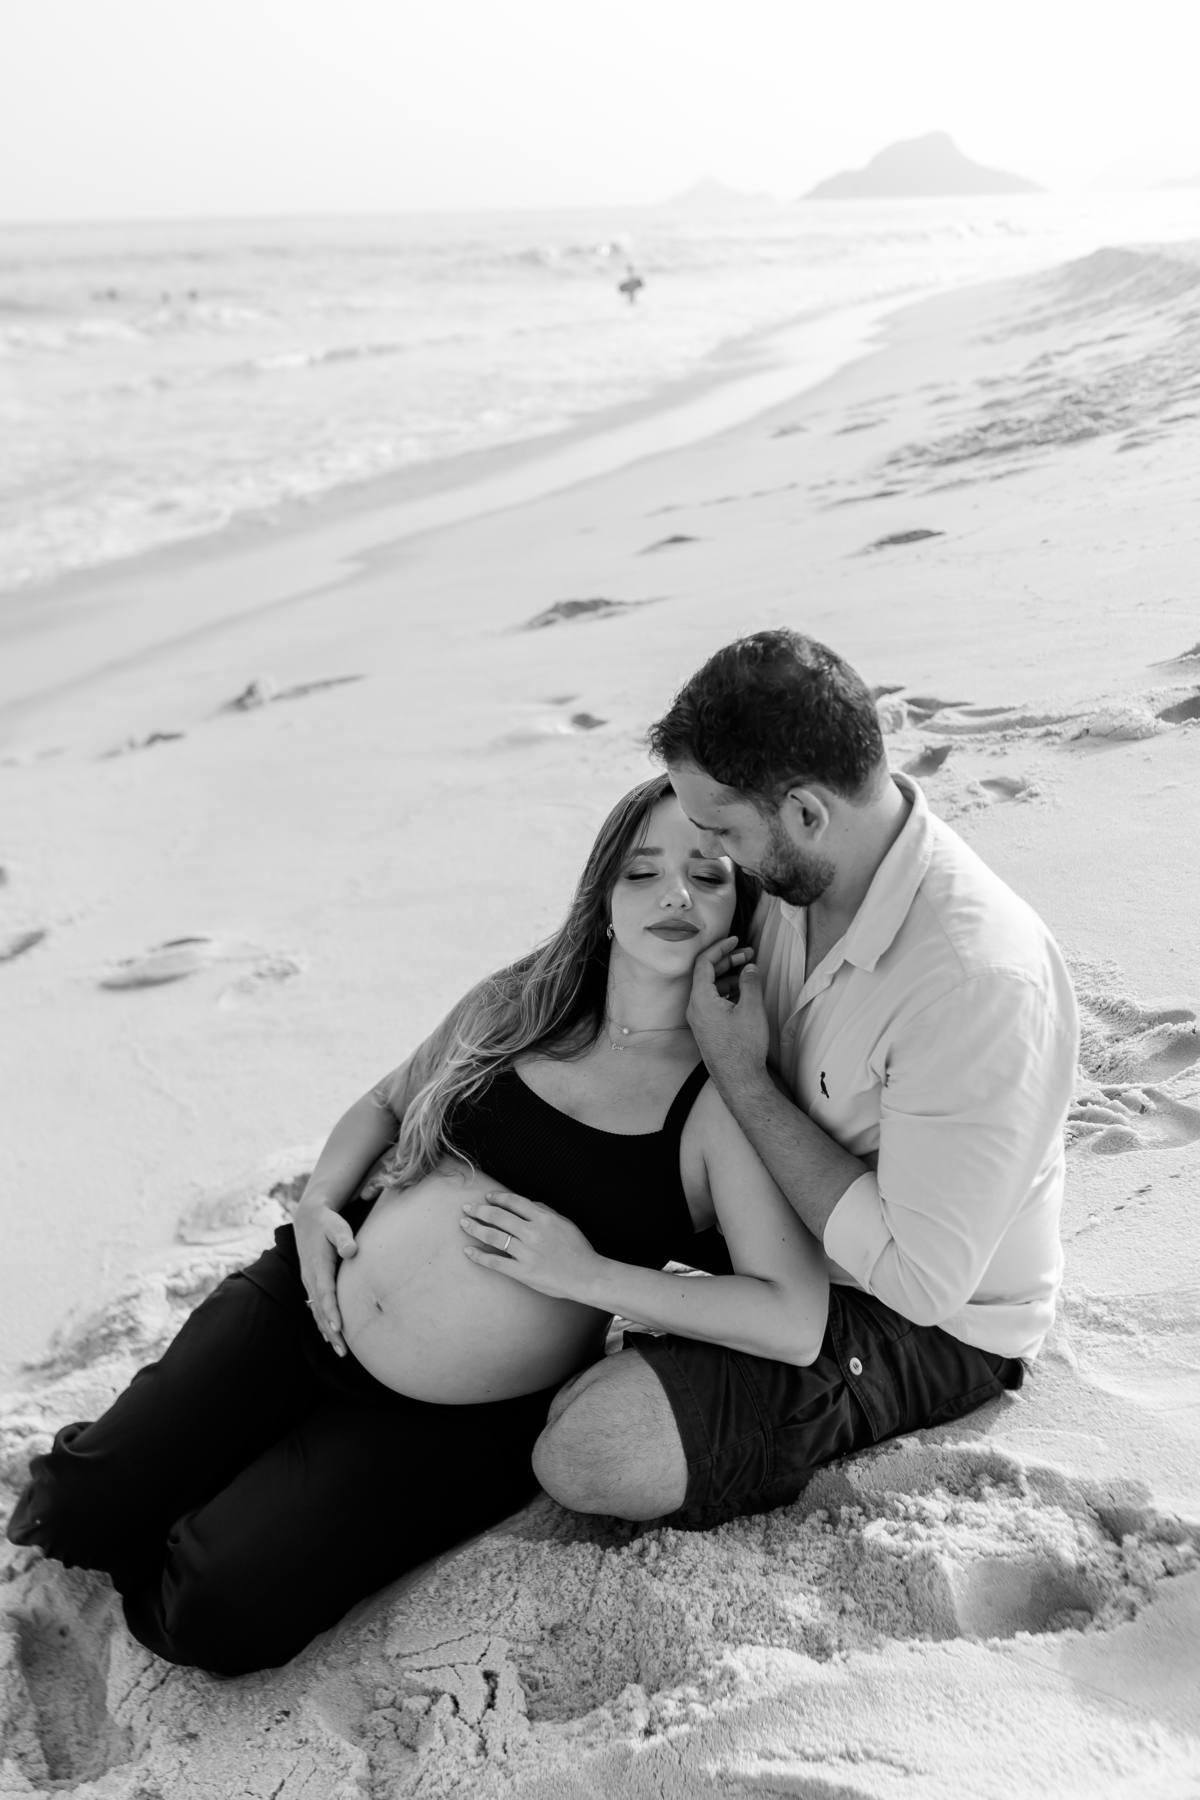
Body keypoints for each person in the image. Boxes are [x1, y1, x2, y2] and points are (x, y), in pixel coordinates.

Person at [8, 775, 829, 1675]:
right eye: (642, 872)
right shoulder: (523, 1004)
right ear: (601, 899)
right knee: (74, 1508)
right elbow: (385, 1104)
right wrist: (319, 1201)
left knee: (214, 1612)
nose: (674, 895)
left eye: (707, 876)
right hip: (305, 1306)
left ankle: (218, 1507)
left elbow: (792, 1318)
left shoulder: (717, 1106)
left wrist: (589, 1276)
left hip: (445, 1420)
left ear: (740, 909)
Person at [527, 630, 1079, 1527]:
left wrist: (745, 1081)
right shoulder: (796, 876)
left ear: (808, 814)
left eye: (723, 830)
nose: (712, 850)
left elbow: (920, 1279)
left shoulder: (974, 984)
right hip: (771, 1226)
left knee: (591, 1448)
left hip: (924, 1319)